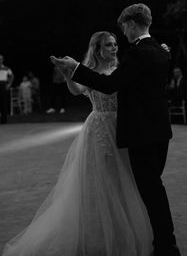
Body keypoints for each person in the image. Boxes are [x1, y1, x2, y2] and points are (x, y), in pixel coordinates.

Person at [2, 31, 154, 256]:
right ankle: (101, 235)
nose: (114, 48)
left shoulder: (120, 71)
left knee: (124, 179)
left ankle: (123, 232)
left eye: (114, 45)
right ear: (97, 49)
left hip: (121, 127)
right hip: (99, 127)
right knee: (100, 181)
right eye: (109, 45)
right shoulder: (90, 72)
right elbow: (77, 90)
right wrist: (67, 75)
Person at [51, 3, 181, 256]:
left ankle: (166, 246)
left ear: (131, 24)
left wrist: (76, 67)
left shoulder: (137, 54)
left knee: (149, 190)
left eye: (123, 29)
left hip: (140, 133)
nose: (123, 37)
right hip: (159, 132)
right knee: (151, 188)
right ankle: (164, 243)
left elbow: (110, 85)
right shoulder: (161, 52)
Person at [0, 54, 14, 124]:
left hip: (3, 86)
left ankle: (3, 120)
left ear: (3, 60)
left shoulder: (6, 68)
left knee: (3, 103)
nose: (0, 60)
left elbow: (11, 76)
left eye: (1, 59)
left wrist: (9, 84)